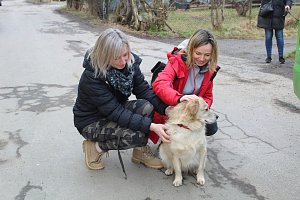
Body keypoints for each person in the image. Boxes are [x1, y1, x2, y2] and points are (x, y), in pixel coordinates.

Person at [73, 28, 170, 173]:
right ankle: (95, 148)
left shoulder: (130, 64)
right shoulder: (92, 76)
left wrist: (166, 109)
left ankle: (140, 152)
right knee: (135, 136)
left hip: (113, 110)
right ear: (104, 55)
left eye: (125, 54)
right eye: (116, 57)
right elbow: (116, 113)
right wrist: (151, 126)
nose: (123, 61)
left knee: (147, 106)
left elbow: (143, 90)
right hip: (91, 121)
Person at [150, 29, 219, 144]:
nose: (202, 59)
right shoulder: (177, 61)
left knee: (211, 127)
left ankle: (184, 139)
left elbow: (207, 95)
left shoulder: (210, 69)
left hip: (192, 110)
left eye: (207, 55)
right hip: (172, 106)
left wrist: (201, 109)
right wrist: (179, 98)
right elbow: (160, 84)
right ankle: (168, 138)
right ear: (191, 49)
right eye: (198, 53)